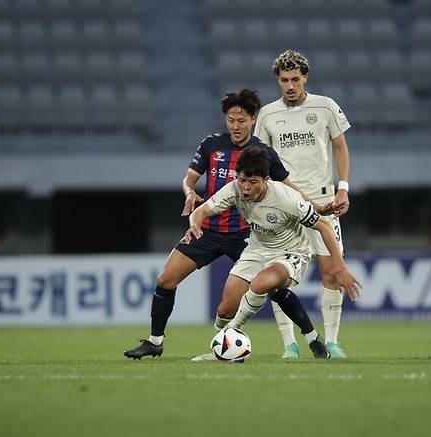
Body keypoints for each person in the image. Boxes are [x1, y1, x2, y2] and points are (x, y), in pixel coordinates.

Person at [124, 89, 324, 360]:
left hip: (245, 235)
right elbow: (189, 179)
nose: (235, 126)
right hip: (206, 230)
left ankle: (312, 338)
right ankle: (155, 342)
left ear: (253, 120)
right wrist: (189, 193)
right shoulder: (211, 145)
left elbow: (289, 189)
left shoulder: (263, 154)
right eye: (230, 120)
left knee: (275, 289)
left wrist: (318, 207)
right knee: (166, 279)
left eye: (241, 120)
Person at [186, 146, 361, 360]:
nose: (246, 188)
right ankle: (309, 337)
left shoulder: (287, 199)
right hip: (257, 248)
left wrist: (339, 267)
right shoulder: (234, 189)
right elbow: (201, 211)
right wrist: (194, 222)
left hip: (291, 251)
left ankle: (225, 344)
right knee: (225, 308)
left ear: (266, 179)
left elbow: (324, 227)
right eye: (242, 180)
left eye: (253, 182)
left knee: (261, 283)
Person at [254, 49, 354, 359]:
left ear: (305, 77)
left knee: (333, 272)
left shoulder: (325, 107)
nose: (290, 86)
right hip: (284, 207)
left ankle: (333, 343)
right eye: (284, 80)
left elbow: (340, 147)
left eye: (295, 79)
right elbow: (261, 160)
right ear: (277, 80)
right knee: (277, 277)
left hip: (324, 201)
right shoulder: (267, 115)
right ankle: (289, 345)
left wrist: (343, 187)